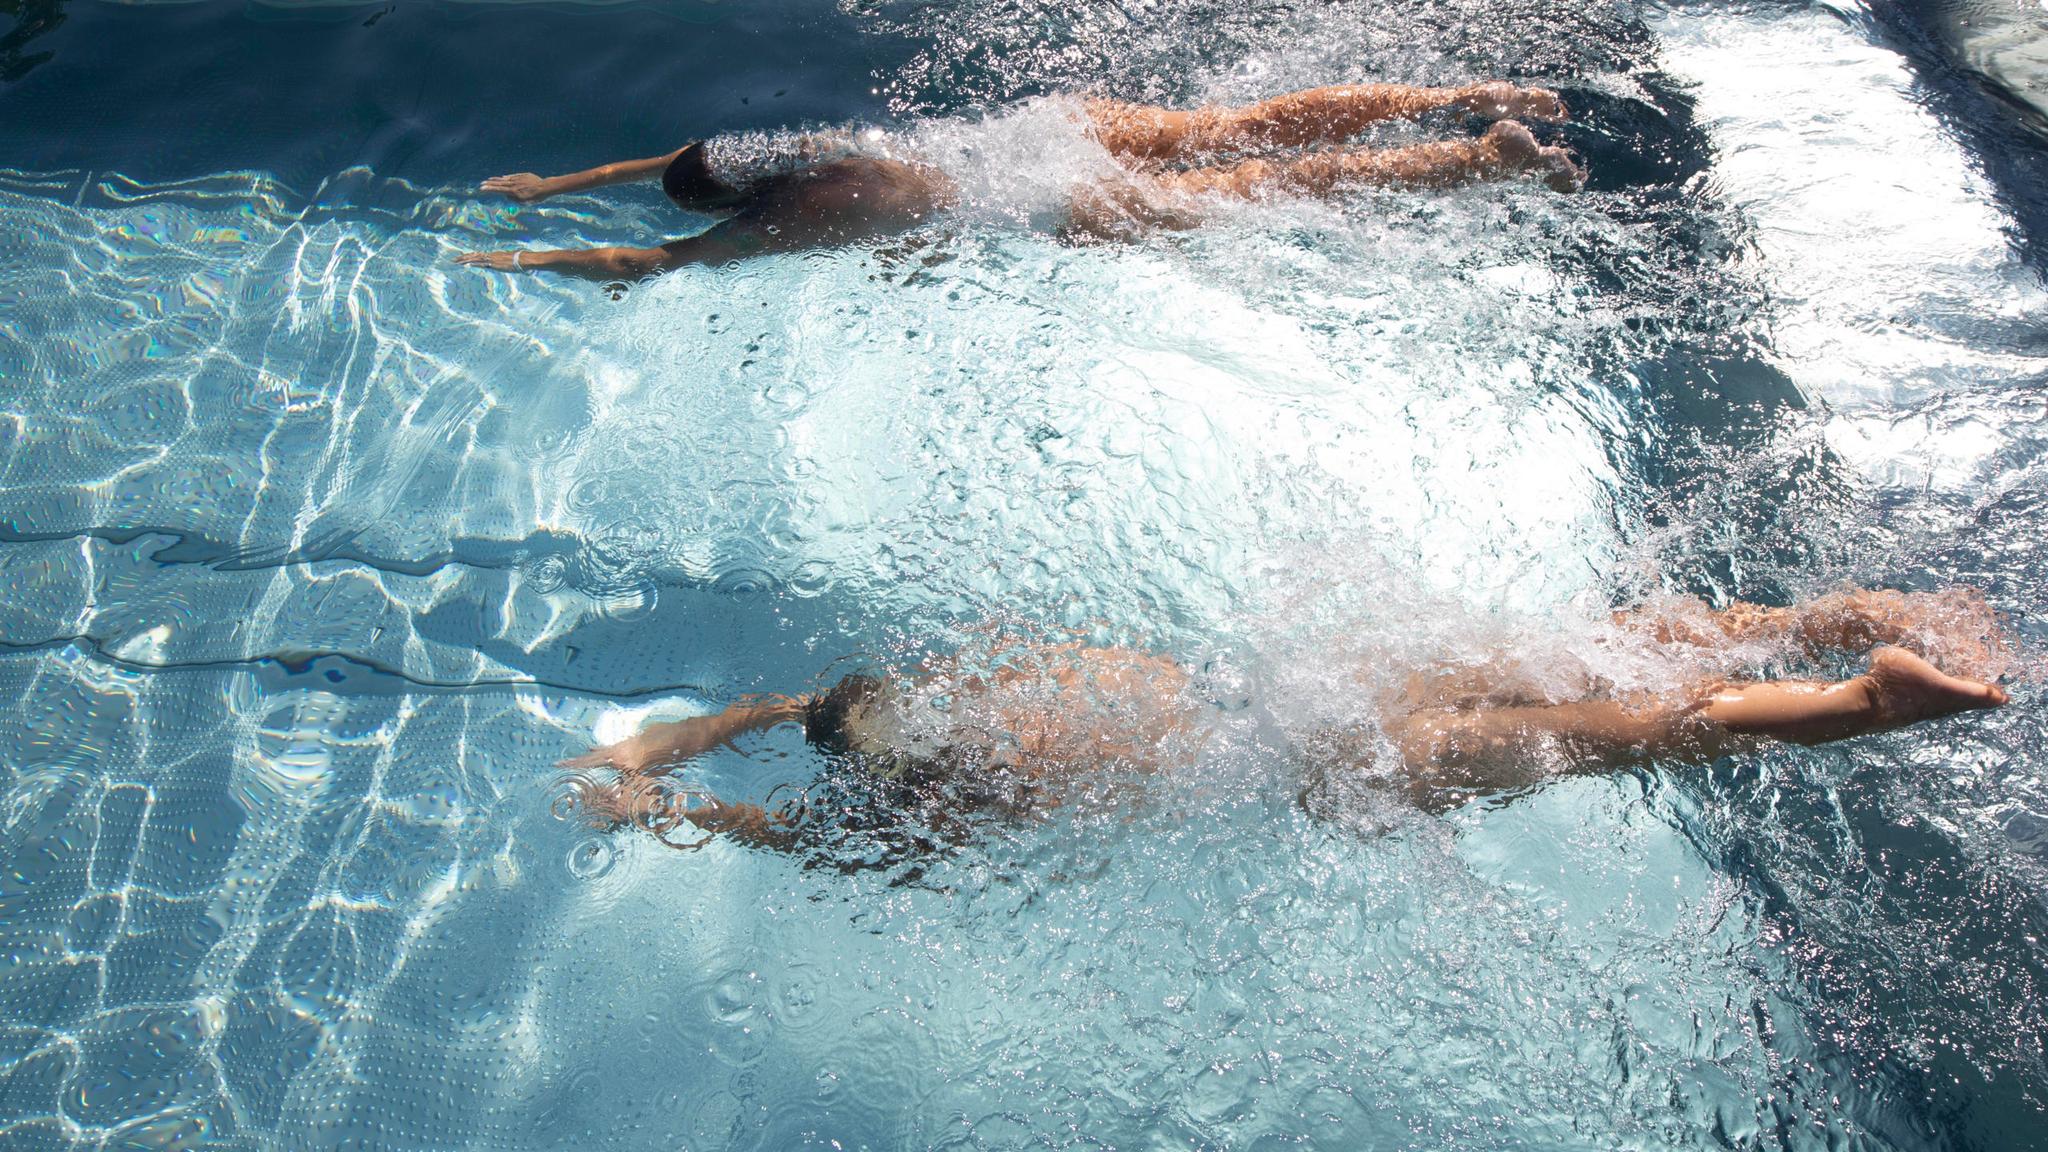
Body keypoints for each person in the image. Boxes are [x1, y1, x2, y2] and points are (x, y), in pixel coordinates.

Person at [557, 587, 2011, 855]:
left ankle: (1857, 700)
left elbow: (795, 839)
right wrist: (661, 746)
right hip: (1313, 672)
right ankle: (1821, 618)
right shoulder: (985, 673)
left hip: (1305, 762)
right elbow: (781, 711)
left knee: (1614, 730)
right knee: (1589, 649)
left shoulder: (954, 801)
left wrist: (653, 804)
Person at [456, 82, 1583, 281]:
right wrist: (549, 180)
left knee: (1259, 190)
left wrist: (521, 253)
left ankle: (1478, 165)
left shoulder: (771, 220)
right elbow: (650, 167)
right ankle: (1478, 89)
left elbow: (641, 258)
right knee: (1244, 128)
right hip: (1040, 133)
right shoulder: (769, 153)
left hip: (1044, 201)